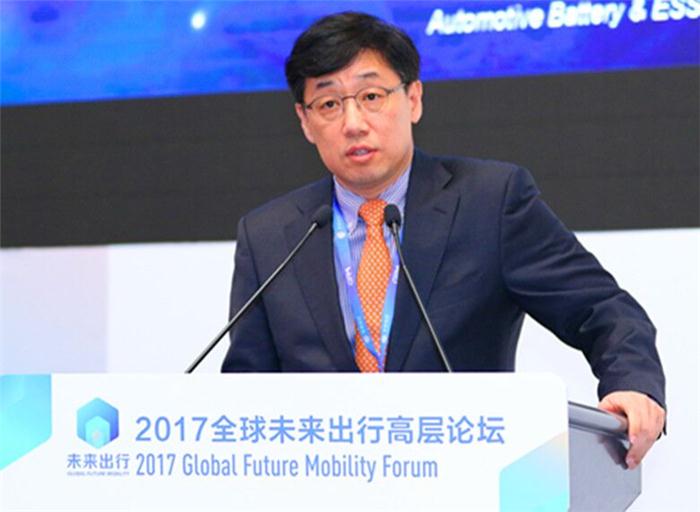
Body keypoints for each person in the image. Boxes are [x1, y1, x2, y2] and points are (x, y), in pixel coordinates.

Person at [221, 11, 665, 469]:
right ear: (304, 120)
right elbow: (245, 388)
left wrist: (632, 384)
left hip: (466, 476)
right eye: (329, 103)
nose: (353, 122)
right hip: (321, 481)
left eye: (371, 96)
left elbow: (602, 309)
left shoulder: (490, 202)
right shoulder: (269, 235)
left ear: (413, 98)